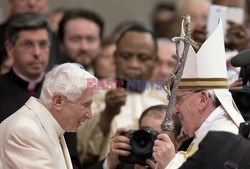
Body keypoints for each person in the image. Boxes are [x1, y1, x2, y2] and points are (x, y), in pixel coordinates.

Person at [153, 16, 244, 169]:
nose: (175, 110)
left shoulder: (225, 135)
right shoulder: (207, 131)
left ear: (203, 99)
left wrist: (171, 163)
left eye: (179, 100)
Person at [77, 25, 166, 168]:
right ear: (115, 57)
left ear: (155, 61)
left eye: (143, 58)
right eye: (126, 56)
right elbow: (81, 152)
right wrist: (108, 114)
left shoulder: (166, 100)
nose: (134, 64)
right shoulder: (92, 92)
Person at [0, 62, 96, 169]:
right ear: (58, 101)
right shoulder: (25, 131)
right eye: (85, 105)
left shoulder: (47, 126)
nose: (90, 115)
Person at [88, 105, 181, 169]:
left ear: (178, 141)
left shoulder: (188, 165)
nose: (148, 142)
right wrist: (109, 163)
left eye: (157, 136)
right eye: (144, 134)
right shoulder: (126, 163)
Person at [0, 12, 51, 122]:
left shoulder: (61, 92)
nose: (37, 53)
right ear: (10, 48)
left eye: (43, 44)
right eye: (27, 44)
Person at [58, 8, 104, 74]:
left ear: (100, 43)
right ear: (61, 43)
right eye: (75, 39)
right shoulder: (47, 82)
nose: (84, 47)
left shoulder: (111, 82)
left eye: (90, 39)